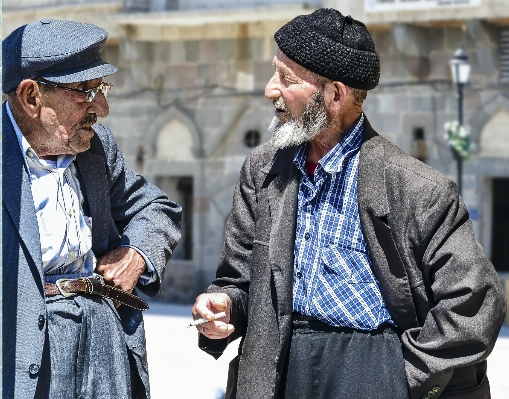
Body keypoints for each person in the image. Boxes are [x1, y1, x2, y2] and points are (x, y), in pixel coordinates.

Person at [192, 8, 506, 399]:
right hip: (281, 369)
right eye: (275, 72)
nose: (270, 89)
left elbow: (473, 302)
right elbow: (238, 281)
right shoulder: (263, 170)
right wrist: (223, 307)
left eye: (286, 78)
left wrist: (398, 377)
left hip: (373, 367)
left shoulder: (418, 189)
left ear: (335, 95)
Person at [2, 19, 182, 399]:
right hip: (22, 350)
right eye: (85, 91)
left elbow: (155, 207)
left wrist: (137, 253)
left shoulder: (94, 147)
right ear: (31, 96)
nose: (102, 107)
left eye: (102, 89)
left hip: (103, 334)